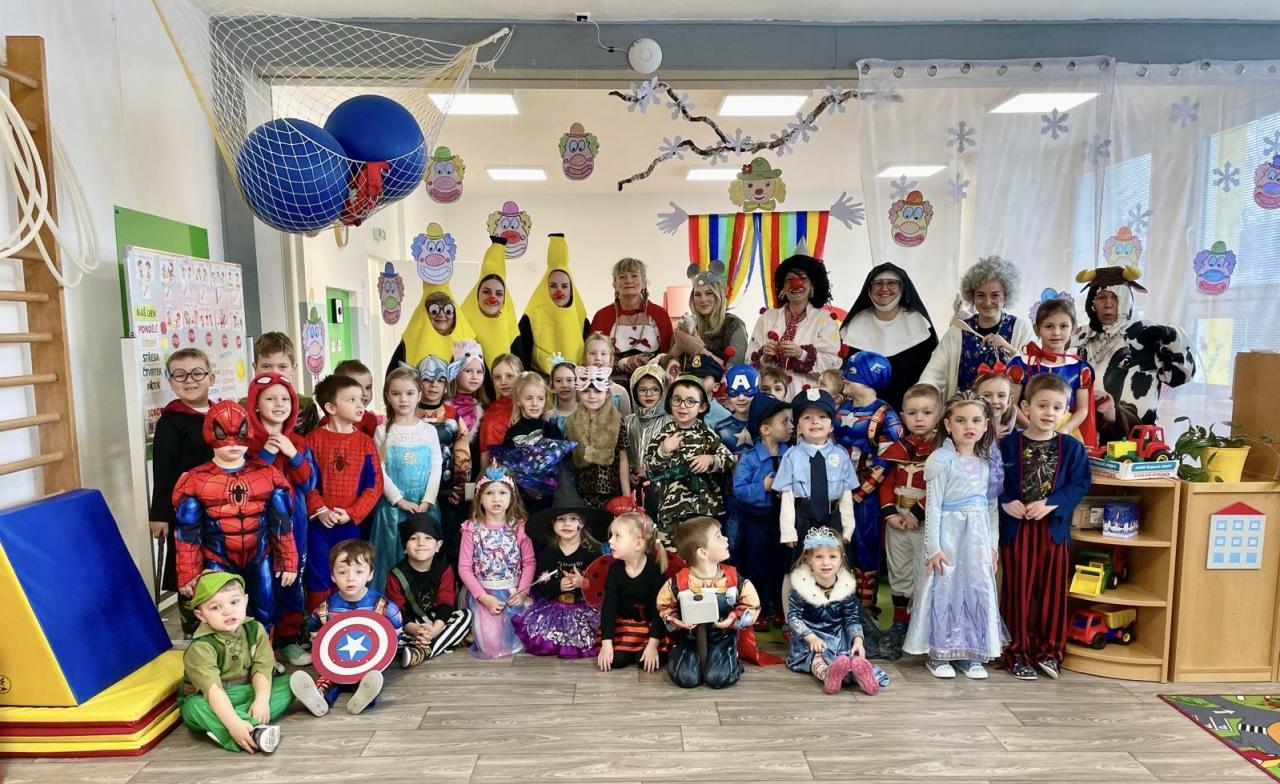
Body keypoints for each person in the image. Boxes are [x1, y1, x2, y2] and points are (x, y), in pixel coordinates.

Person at [903, 392, 1006, 680]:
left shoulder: (988, 462)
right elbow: (933, 507)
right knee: (945, 588)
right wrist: (933, 548)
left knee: (975, 588)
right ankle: (940, 653)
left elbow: (991, 508)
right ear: (948, 425)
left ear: (986, 425)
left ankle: (971, 653)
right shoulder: (941, 460)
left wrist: (993, 546)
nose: (968, 426)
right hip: (949, 536)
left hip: (978, 540)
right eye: (960, 420)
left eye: (975, 420)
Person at [172, 401, 298, 631]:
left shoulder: (267, 475)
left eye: (239, 434)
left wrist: (288, 559)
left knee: (266, 610)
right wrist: (188, 571)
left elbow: (282, 523)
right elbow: (186, 532)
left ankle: (263, 653)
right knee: (220, 614)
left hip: (259, 555)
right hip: (217, 557)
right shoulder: (195, 480)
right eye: (223, 434)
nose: (232, 443)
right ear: (210, 433)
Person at [998, 374, 1091, 681]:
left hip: (1053, 531)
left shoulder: (1072, 448)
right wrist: (1005, 501)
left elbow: (1080, 483)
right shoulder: (1006, 446)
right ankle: (1016, 651)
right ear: (1025, 407)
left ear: (1065, 410)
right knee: (1017, 592)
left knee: (1053, 593)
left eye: (1057, 407)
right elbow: (991, 482)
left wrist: (1051, 503)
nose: (1049, 413)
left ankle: (1050, 651)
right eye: (1042, 405)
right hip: (1017, 531)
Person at [245, 372, 317, 666]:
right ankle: (264, 646)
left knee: (292, 579)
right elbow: (246, 483)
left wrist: (292, 454)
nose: (279, 404)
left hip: (295, 524)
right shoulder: (246, 444)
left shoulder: (298, 442)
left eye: (285, 399)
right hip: (258, 527)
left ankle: (288, 639)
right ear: (256, 404)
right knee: (262, 583)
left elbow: (309, 483)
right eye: (270, 398)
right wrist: (266, 454)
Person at [178, 572, 291, 754]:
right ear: (201, 615)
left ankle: (240, 719)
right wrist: (233, 723)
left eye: (234, 602)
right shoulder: (201, 647)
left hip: (246, 691)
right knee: (194, 708)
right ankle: (252, 731)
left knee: (288, 683)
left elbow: (262, 668)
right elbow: (213, 691)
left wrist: (261, 700)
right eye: (215, 607)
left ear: (245, 601)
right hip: (212, 698)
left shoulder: (255, 629)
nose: (228, 611)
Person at [1070, 265, 1196, 424]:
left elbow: (1181, 376)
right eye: (1102, 297)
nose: (1108, 304)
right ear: (1092, 302)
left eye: (1116, 297)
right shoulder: (1078, 337)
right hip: (1081, 428)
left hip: (1134, 430)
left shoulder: (1146, 333)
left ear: (1126, 301)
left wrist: (1171, 339)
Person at [290, 540, 401, 716]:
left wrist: (385, 648)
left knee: (369, 679)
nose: (350, 578)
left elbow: (396, 631)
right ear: (333, 576)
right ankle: (318, 698)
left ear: (370, 574)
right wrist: (316, 641)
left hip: (367, 663)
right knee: (327, 678)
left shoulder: (382, 606)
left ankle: (363, 698)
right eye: (342, 572)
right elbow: (314, 630)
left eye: (359, 572)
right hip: (336, 663)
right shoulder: (326, 608)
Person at [303, 374, 384, 611]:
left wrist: (352, 513)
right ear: (331, 407)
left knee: (350, 571)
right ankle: (319, 621)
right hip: (319, 524)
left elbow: (375, 485)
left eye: (362, 399)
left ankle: (349, 617)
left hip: (350, 524)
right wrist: (320, 510)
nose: (361, 404)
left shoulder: (365, 443)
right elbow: (305, 481)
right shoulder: (313, 440)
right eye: (352, 400)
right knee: (319, 573)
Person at [150, 348, 216, 635]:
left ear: (211, 377)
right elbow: (163, 470)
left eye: (197, 373)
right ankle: (193, 631)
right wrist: (159, 514)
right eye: (180, 375)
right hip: (186, 510)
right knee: (189, 569)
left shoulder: (221, 414)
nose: (189, 380)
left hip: (221, 507)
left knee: (216, 566)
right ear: (171, 381)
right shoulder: (171, 421)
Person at [834, 350, 904, 609]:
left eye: (851, 375)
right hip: (839, 488)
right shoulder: (841, 408)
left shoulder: (886, 416)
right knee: (840, 542)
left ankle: (866, 605)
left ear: (868, 380)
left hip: (867, 493)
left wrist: (861, 492)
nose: (845, 378)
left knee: (866, 542)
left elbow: (887, 461)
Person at [656, 517, 760, 689]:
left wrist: (732, 619)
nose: (726, 539)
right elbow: (664, 607)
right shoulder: (678, 583)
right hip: (690, 638)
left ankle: (730, 659)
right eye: (719, 536)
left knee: (717, 678)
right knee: (687, 678)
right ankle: (679, 654)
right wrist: (678, 622)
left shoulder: (733, 580)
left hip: (722, 638)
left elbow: (751, 605)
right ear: (703, 553)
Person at [785, 527, 887, 695]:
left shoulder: (845, 588)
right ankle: (828, 675)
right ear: (808, 559)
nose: (826, 563)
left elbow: (852, 618)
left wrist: (858, 641)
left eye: (832, 556)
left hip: (837, 638)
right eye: (819, 557)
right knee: (817, 658)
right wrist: (811, 638)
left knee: (849, 657)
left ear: (841, 559)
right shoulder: (800, 587)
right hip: (810, 639)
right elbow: (794, 618)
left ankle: (860, 675)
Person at [920, 256, 1035, 400]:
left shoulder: (1021, 328)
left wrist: (1009, 349)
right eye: (981, 295)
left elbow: (1033, 372)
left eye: (995, 295)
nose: (987, 302)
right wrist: (921, 397)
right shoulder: (958, 330)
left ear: (1004, 297)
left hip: (1005, 412)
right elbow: (933, 373)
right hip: (963, 411)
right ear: (972, 297)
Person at [370, 366, 443, 592]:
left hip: (423, 507)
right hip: (392, 509)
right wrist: (399, 500)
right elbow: (379, 470)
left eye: (409, 393)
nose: (403, 399)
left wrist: (427, 501)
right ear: (387, 396)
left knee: (422, 557)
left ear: (419, 395)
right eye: (396, 393)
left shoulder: (429, 431)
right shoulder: (382, 431)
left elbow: (436, 467)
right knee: (390, 556)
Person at [877, 383, 941, 641]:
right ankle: (899, 621)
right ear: (903, 416)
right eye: (912, 413)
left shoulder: (942, 451)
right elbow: (887, 483)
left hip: (924, 520)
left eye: (927, 412)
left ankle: (921, 622)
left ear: (939, 415)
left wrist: (918, 512)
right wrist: (890, 513)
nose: (919, 418)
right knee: (899, 568)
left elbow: (940, 486)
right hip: (897, 519)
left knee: (923, 569)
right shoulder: (899, 447)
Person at [644, 376, 735, 546]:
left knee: (702, 552)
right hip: (671, 511)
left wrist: (710, 459)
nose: (683, 406)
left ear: (702, 407)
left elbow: (729, 459)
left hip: (704, 510)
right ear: (670, 403)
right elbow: (649, 468)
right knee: (670, 554)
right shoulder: (663, 434)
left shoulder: (707, 434)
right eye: (677, 400)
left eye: (690, 401)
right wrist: (664, 450)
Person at [458, 467, 536, 658]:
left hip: (513, 592)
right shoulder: (472, 528)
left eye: (502, 493)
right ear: (479, 497)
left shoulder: (519, 526)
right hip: (485, 593)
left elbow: (529, 562)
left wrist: (522, 592)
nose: (496, 499)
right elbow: (464, 568)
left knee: (526, 635)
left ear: (512, 497)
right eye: (489, 493)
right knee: (491, 645)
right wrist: (484, 598)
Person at [839, 263, 939, 412]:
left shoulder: (920, 324)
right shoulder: (854, 325)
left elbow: (931, 374)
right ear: (869, 288)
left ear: (902, 287)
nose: (884, 288)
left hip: (910, 412)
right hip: (862, 412)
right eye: (878, 283)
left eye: (891, 283)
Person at [513, 505, 608, 658]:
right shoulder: (548, 553)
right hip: (555, 607)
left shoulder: (592, 552)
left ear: (582, 523)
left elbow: (602, 585)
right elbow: (541, 585)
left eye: (573, 519)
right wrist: (559, 586)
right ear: (553, 524)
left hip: (584, 608)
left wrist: (583, 583)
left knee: (587, 639)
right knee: (545, 642)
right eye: (561, 519)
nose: (567, 524)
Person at [733, 394, 793, 630]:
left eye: (791, 421)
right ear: (766, 429)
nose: (791, 426)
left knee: (781, 565)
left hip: (783, 522)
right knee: (756, 566)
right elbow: (739, 490)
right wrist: (763, 487)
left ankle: (779, 608)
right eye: (785, 421)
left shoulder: (791, 455)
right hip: (756, 522)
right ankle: (758, 608)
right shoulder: (750, 459)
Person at [748, 252, 843, 399]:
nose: (796, 284)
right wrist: (765, 358)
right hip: (770, 398)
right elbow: (749, 362)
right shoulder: (767, 318)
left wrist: (801, 354)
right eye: (789, 279)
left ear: (812, 284)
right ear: (783, 286)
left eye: (802, 279)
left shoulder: (825, 320)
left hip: (808, 401)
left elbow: (833, 365)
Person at [383, 513, 472, 667]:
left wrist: (434, 630)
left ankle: (422, 652)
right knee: (389, 636)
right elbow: (397, 613)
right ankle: (446, 641)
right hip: (410, 627)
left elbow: (446, 604)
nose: (421, 543)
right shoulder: (396, 575)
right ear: (404, 547)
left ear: (438, 545)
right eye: (413, 538)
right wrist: (416, 630)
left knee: (466, 615)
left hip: (437, 621)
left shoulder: (444, 569)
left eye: (428, 538)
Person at [775, 389, 857, 548]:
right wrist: (788, 531)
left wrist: (848, 528)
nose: (815, 421)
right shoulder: (791, 457)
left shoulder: (841, 455)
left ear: (831, 426)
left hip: (833, 520)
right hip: (803, 521)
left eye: (822, 417)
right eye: (807, 417)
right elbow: (787, 496)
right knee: (803, 561)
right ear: (798, 426)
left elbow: (846, 495)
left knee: (833, 560)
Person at [389, 222, 475, 369]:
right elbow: (393, 377)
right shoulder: (409, 343)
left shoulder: (469, 343)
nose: (441, 315)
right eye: (434, 310)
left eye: (447, 310)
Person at [1008, 299, 1094, 441]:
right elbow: (1011, 404)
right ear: (1037, 329)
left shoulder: (1079, 368)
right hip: (1027, 433)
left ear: (1073, 329)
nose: (1056, 332)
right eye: (1049, 326)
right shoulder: (1021, 365)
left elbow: (1083, 409)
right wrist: (1032, 428)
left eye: (1063, 326)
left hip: (1065, 435)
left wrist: (1064, 430)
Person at [415, 355, 471, 567]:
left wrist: (461, 489)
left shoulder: (453, 417)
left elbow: (463, 455)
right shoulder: (407, 413)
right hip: (415, 493)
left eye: (440, 380)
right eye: (427, 380)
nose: (434, 386)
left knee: (446, 544)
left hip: (447, 493)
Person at [598, 511, 667, 673]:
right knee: (616, 660)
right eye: (611, 535)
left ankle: (644, 650)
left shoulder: (654, 571)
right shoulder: (615, 570)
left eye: (617, 536)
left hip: (651, 629)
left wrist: (653, 646)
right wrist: (606, 644)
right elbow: (609, 607)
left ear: (638, 544)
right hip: (625, 627)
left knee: (645, 661)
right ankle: (630, 652)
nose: (610, 541)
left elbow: (660, 611)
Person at [513, 233, 591, 376]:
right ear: (545, 289)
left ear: (571, 291)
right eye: (553, 286)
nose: (559, 291)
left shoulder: (581, 318)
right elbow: (521, 360)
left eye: (564, 286)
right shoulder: (530, 318)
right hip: (540, 382)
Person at [491, 372, 569, 512]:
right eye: (529, 398)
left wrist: (546, 482)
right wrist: (527, 486)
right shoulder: (513, 432)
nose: (535, 403)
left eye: (540, 398)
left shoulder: (550, 427)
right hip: (521, 500)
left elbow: (565, 459)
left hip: (552, 497)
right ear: (518, 400)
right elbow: (507, 466)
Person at [590, 257, 673, 384]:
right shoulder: (602, 316)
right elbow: (593, 357)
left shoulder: (660, 314)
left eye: (634, 276)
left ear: (644, 282)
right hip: (611, 385)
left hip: (652, 385)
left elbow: (668, 355)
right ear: (615, 284)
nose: (628, 281)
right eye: (622, 277)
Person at [564, 365, 631, 509]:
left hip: (612, 495)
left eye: (597, 391)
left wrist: (627, 496)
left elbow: (623, 459)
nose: (592, 396)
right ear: (579, 393)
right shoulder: (571, 421)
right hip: (581, 495)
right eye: (586, 391)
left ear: (606, 393)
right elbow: (568, 463)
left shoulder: (616, 421)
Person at [460, 236, 519, 369]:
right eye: (486, 292)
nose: (493, 298)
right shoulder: (461, 322)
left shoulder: (511, 326)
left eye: (499, 293)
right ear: (477, 294)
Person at [672, 270, 748, 367]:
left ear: (718, 295)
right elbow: (666, 368)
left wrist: (700, 350)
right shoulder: (685, 325)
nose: (703, 299)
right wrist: (678, 346)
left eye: (709, 293)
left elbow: (737, 371)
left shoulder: (734, 325)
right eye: (697, 294)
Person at [624, 365, 671, 520]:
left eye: (655, 390)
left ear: (663, 391)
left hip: (662, 488)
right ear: (634, 393)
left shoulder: (670, 422)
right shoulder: (628, 422)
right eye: (643, 390)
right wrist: (629, 473)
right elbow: (622, 455)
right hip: (634, 485)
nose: (649, 394)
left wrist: (651, 471)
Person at [252, 331, 319, 435]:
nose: (274, 373)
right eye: (266, 366)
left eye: (282, 367)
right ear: (255, 367)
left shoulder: (306, 406)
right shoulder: (243, 406)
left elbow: (313, 442)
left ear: (293, 368)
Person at [477, 352, 524, 469]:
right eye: (497, 377)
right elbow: (485, 452)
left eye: (509, 376)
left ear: (521, 376)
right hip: (498, 473)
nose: (503, 382)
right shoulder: (491, 411)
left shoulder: (533, 406)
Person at [325, 360, 379, 438]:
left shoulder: (370, 420)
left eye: (368, 387)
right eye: (358, 388)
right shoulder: (328, 421)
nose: (364, 393)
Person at [583, 332, 633, 415]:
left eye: (603, 354)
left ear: (611, 359)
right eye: (592, 353)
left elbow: (626, 421)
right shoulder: (578, 391)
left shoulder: (620, 392)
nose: (598, 358)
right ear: (585, 358)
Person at [716, 364, 759, 456]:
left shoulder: (766, 425)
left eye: (748, 392)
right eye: (733, 392)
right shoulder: (721, 428)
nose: (741, 398)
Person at [681, 352, 732, 429]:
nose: (696, 380)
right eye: (693, 376)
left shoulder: (724, 417)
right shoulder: (681, 407)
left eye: (703, 377)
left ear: (716, 387)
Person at [449, 341, 490, 435]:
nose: (474, 377)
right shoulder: (443, 407)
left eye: (479, 372)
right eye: (468, 371)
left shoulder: (484, 407)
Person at [974, 365, 1017, 439]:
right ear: (975, 399)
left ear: (1009, 400)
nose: (995, 401)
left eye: (1001, 396)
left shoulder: (1015, 437)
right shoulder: (968, 433)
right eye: (987, 395)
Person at [547, 357, 578, 433]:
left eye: (569, 380)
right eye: (558, 381)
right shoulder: (548, 417)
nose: (564, 385)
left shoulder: (586, 414)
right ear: (552, 386)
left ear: (577, 383)